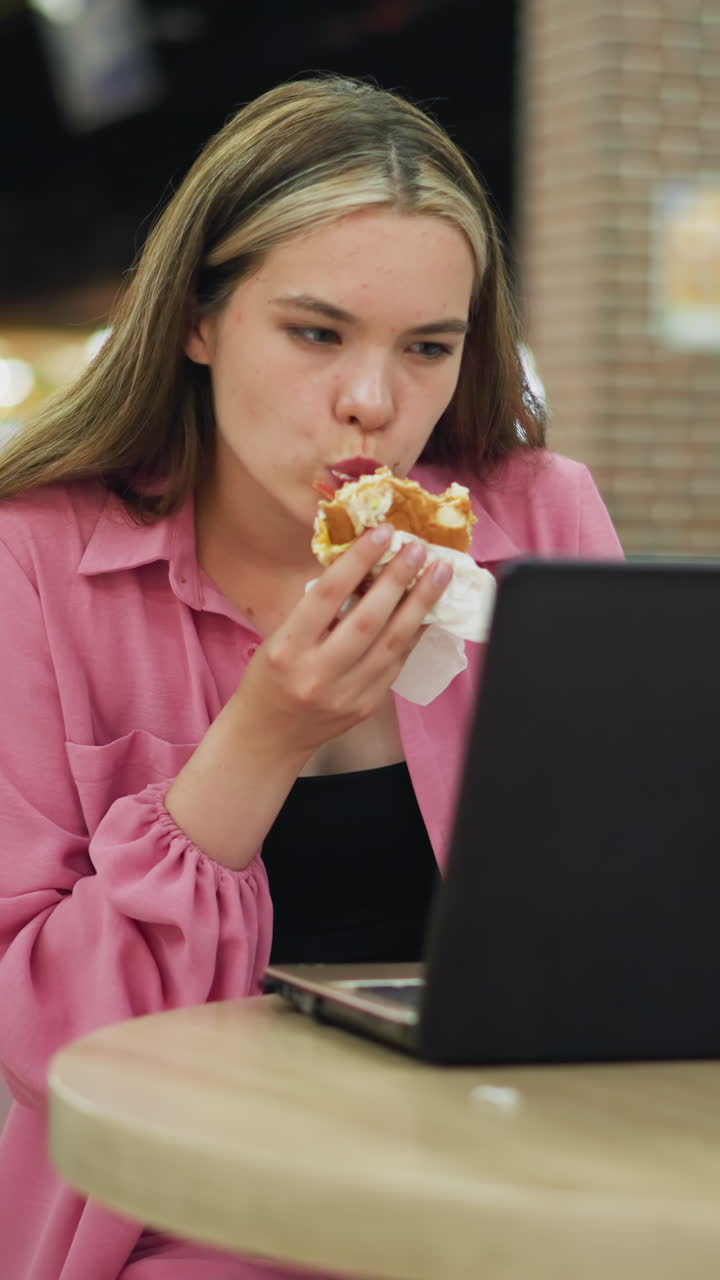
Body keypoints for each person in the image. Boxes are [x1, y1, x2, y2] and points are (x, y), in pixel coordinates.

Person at [0, 73, 622, 1280]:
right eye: (317, 332)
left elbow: (629, 920)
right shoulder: (39, 559)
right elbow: (38, 1037)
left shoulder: (537, 519)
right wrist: (266, 735)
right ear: (197, 317)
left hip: (515, 1171)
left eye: (428, 348)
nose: (373, 403)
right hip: (183, 1210)